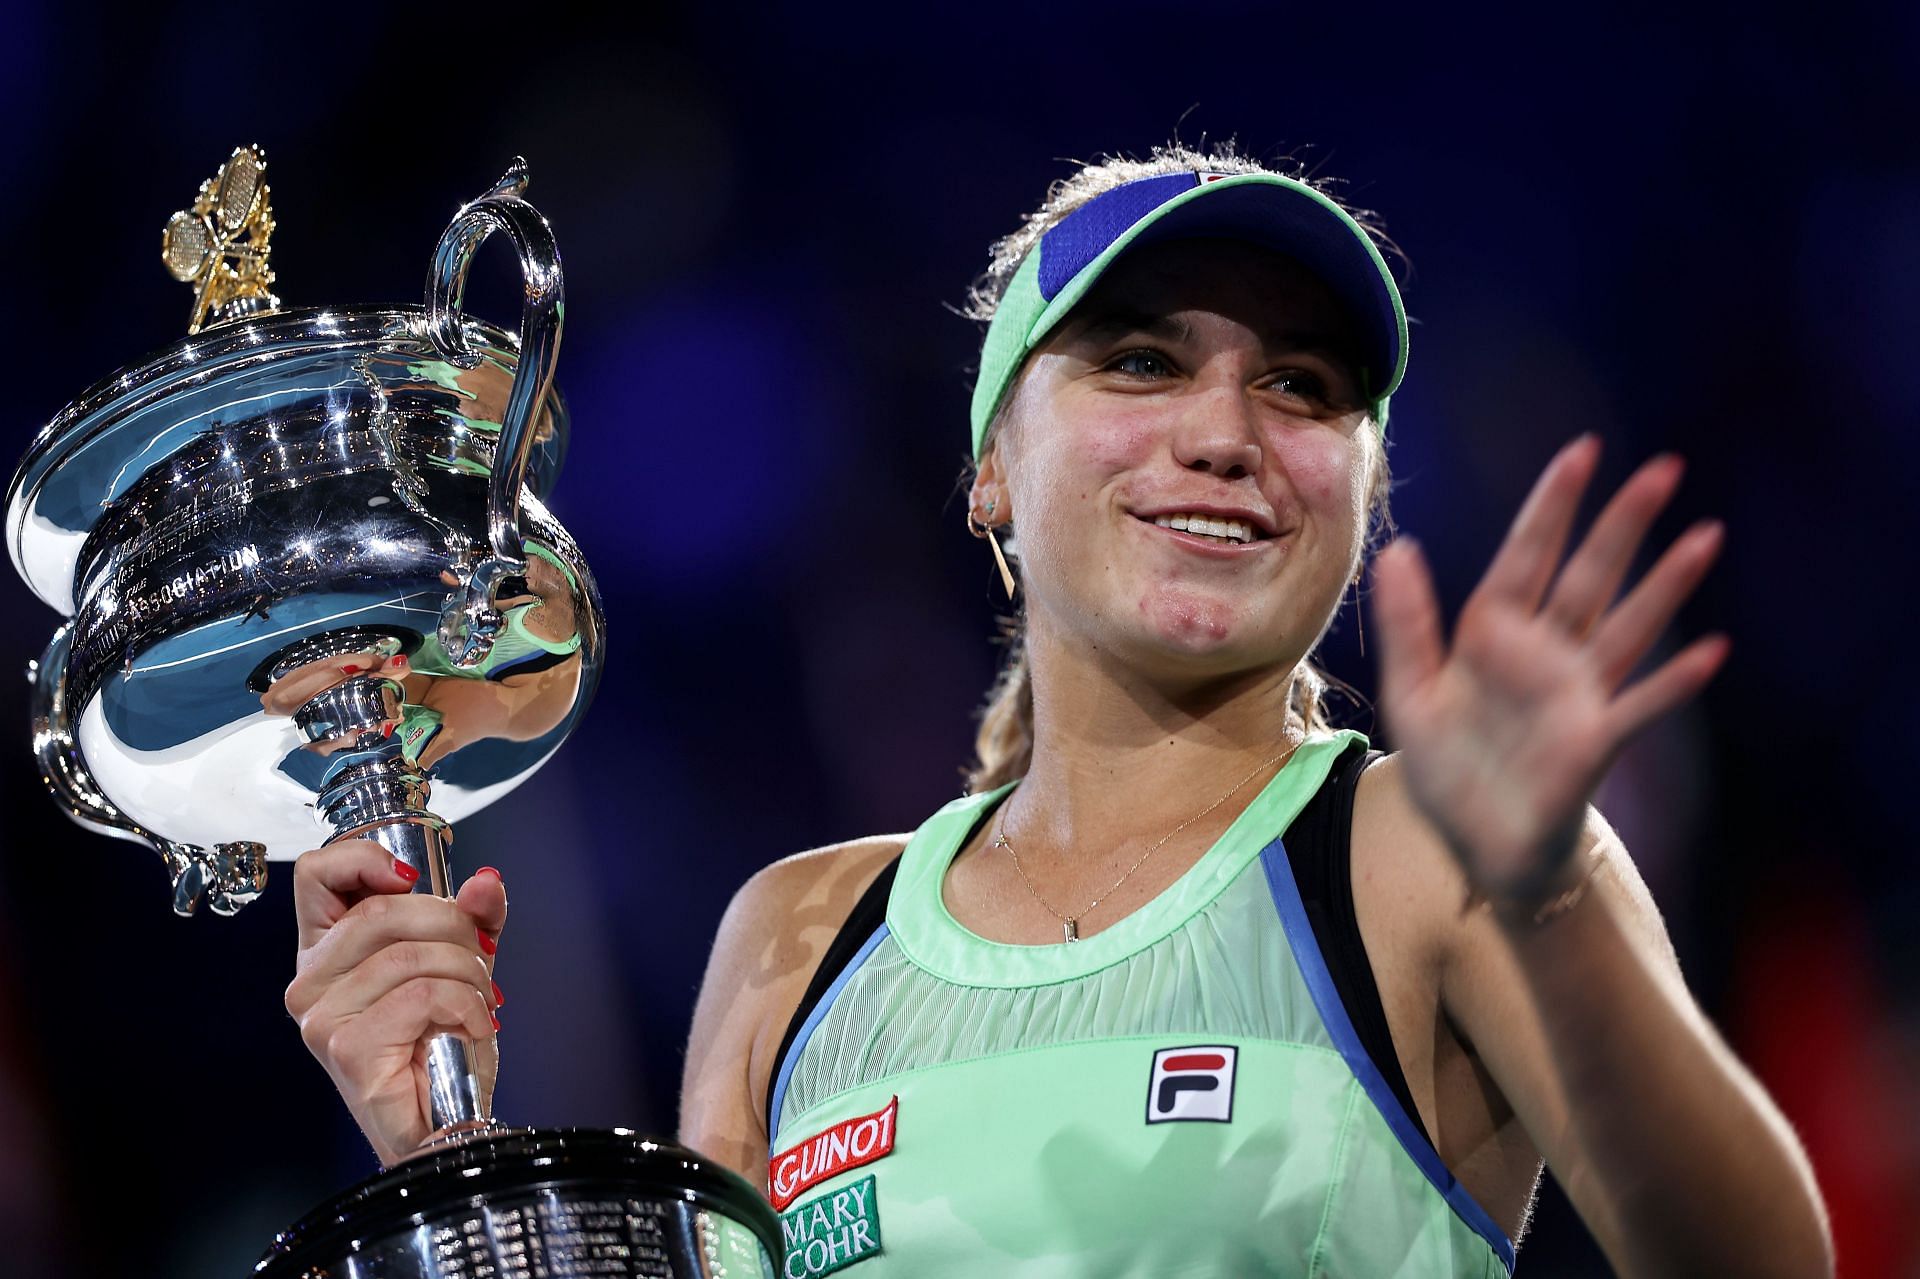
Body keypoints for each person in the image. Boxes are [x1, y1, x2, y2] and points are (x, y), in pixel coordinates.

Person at [284, 144, 1833, 1276]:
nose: (1226, 431)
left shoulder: (1426, 853)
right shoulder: (800, 935)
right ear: (990, 473)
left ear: (1363, 493)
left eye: (1302, 386)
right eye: (1144, 360)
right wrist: (441, 1151)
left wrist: (1551, 891)